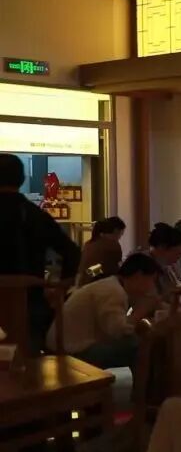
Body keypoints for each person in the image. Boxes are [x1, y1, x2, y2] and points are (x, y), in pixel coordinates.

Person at [0, 153, 81, 349]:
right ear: (22, 179)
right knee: (30, 356)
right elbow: (72, 252)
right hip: (31, 303)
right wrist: (60, 287)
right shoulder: (35, 214)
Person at [47, 253, 161, 371]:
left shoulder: (112, 285)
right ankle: (140, 383)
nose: (152, 286)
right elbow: (117, 332)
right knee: (138, 346)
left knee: (137, 341)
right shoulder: (113, 291)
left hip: (67, 344)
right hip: (71, 350)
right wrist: (141, 310)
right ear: (139, 275)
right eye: (152, 280)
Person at [76, 216, 126, 287]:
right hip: (96, 284)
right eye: (121, 234)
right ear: (116, 231)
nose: (120, 237)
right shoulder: (112, 244)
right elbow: (111, 268)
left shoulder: (89, 243)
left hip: (82, 283)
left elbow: (90, 269)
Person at [146, 223, 181, 300]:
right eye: (178, 253)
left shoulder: (174, 264)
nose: (179, 257)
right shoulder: (143, 266)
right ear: (162, 247)